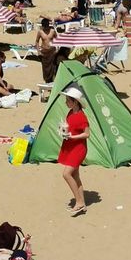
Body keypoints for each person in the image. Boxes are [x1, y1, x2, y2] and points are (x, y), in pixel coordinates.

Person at [57, 84, 89, 216]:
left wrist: (73, 136)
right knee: (75, 175)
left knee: (66, 174)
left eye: (68, 100)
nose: (66, 103)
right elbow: (69, 127)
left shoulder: (82, 117)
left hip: (78, 148)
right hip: (71, 146)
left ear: (75, 102)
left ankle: (79, 202)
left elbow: (87, 134)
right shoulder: (70, 113)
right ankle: (82, 204)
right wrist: (62, 131)